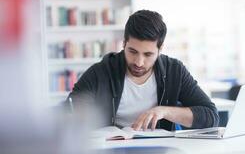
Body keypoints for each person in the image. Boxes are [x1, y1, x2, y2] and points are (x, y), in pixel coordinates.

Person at [67, 10, 219, 131]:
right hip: (112, 152)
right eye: (132, 51)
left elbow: (211, 116)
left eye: (148, 54)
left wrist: (164, 111)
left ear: (160, 49)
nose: (139, 62)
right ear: (124, 43)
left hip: (160, 151)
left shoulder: (174, 71)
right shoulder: (101, 72)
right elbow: (70, 111)